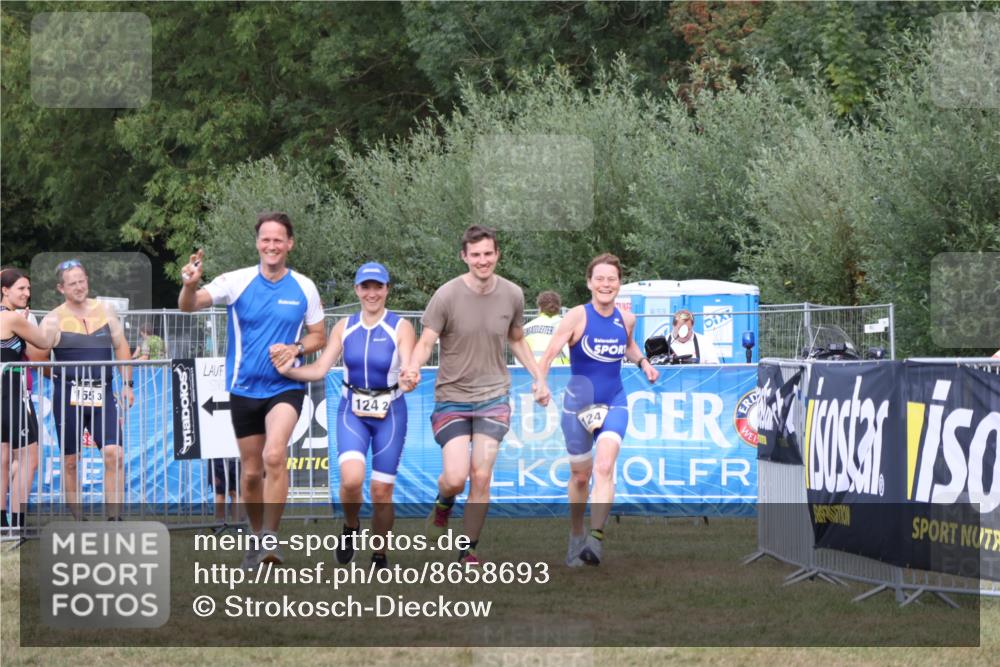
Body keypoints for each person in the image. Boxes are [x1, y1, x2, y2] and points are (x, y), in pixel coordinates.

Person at [179, 211, 326, 568]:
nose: (272, 245)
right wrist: (189, 284)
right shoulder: (236, 281)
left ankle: (272, 542)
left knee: (275, 456)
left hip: (285, 385)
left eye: (279, 239)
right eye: (266, 239)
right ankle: (256, 538)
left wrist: (296, 350)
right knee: (250, 472)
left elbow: (318, 335)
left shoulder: (304, 287)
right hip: (244, 388)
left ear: (289, 244)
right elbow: (189, 307)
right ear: (257, 243)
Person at [402, 225, 551, 565]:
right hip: (452, 398)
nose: (482, 261)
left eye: (488, 254)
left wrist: (538, 377)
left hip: (493, 398)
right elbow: (426, 341)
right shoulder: (446, 295)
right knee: (456, 478)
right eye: (475, 255)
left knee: (481, 475)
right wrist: (412, 367)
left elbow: (516, 338)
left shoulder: (512, 294)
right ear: (464, 257)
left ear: (497, 254)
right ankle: (444, 501)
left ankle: (467, 549)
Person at [274, 261, 416, 569]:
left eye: (378, 287)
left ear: (387, 289)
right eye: (366, 287)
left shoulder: (401, 326)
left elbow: (407, 366)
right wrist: (289, 372)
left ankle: (379, 553)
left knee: (381, 491)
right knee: (352, 481)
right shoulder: (344, 326)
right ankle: (351, 526)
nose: (372, 293)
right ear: (357, 290)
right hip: (352, 410)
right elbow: (321, 368)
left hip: (390, 411)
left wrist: (408, 378)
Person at [539, 253, 659, 567]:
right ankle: (577, 534)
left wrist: (644, 362)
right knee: (581, 477)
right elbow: (550, 352)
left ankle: (596, 539)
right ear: (589, 282)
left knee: (604, 465)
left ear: (619, 284)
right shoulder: (577, 316)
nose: (606, 284)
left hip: (614, 399)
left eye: (612, 279)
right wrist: (540, 382)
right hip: (578, 404)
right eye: (600, 279)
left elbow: (628, 345)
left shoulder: (626, 318)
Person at [39, 260, 134, 521]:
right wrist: (60, 377)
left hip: (102, 393)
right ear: (61, 288)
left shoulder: (105, 311)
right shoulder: (52, 319)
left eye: (82, 280)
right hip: (67, 398)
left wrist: (127, 384)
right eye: (73, 283)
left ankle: (115, 517)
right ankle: (78, 517)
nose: (79, 287)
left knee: (115, 453)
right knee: (71, 461)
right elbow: (37, 357)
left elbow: (121, 346)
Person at [1, 268, 53, 531]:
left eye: (28, 289)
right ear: (5, 291)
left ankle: (3, 523)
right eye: (21, 288)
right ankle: (17, 523)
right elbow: (43, 343)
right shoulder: (13, 318)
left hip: (6, 393)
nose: (27, 293)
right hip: (12, 395)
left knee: (3, 460)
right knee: (28, 460)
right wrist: (36, 322)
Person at [520, 290, 569, 366]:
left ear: (539, 307)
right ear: (559, 307)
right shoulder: (564, 325)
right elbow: (570, 353)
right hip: (558, 373)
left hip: (532, 372)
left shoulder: (526, 327)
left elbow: (519, 355)